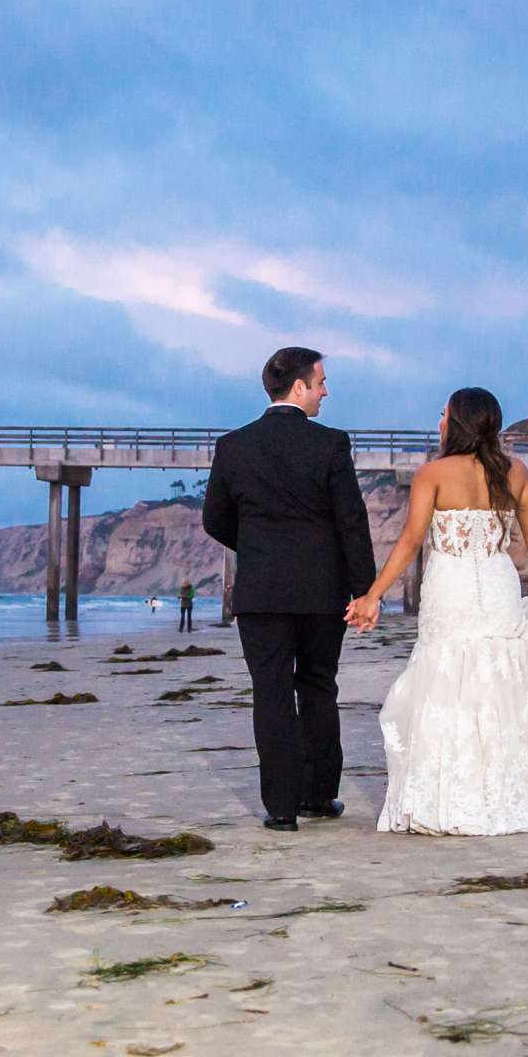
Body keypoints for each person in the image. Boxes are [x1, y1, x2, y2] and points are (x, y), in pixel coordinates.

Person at [348, 387, 528, 835]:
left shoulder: (433, 473)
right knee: (499, 681)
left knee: (446, 679)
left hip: (450, 582)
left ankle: (447, 800)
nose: (438, 423)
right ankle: (506, 797)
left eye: (443, 415)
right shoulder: (515, 472)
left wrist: (374, 594)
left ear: (458, 423)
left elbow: (412, 541)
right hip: (497, 580)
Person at [201, 346, 376, 832]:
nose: (326, 390)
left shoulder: (233, 446)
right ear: (298, 387)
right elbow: (352, 522)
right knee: (318, 686)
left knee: (271, 692)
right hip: (322, 593)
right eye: (321, 382)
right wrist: (366, 589)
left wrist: (256, 547)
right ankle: (318, 797)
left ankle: (280, 809)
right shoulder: (331, 444)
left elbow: (214, 519)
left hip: (260, 594)